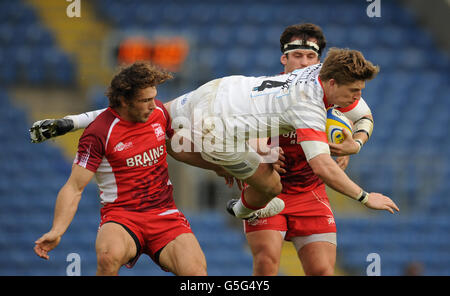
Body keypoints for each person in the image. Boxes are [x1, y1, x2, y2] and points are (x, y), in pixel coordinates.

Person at [30, 48, 399, 226]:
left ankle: (73, 120)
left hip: (221, 89)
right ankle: (240, 208)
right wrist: (366, 197)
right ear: (331, 83)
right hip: (219, 131)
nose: (355, 98)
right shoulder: (308, 107)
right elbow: (322, 167)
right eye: (352, 91)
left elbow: (361, 112)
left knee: (156, 113)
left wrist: (356, 140)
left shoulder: (322, 70)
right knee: (273, 186)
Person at [34, 62, 212, 276]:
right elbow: (74, 187)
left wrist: (221, 168)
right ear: (124, 101)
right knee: (108, 257)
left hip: (164, 214)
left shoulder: (159, 114)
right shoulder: (98, 133)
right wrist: (57, 230)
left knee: (196, 272)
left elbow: (178, 150)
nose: (153, 105)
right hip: (121, 216)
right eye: (145, 100)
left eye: (153, 98)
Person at [241, 23, 376, 276]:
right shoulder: (265, 89)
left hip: (310, 192)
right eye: (297, 56)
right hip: (267, 189)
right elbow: (236, 129)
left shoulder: (328, 89)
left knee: (323, 271)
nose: (304, 62)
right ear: (284, 58)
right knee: (266, 264)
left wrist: (353, 144)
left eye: (311, 56)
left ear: (319, 60)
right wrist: (256, 149)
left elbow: (365, 118)